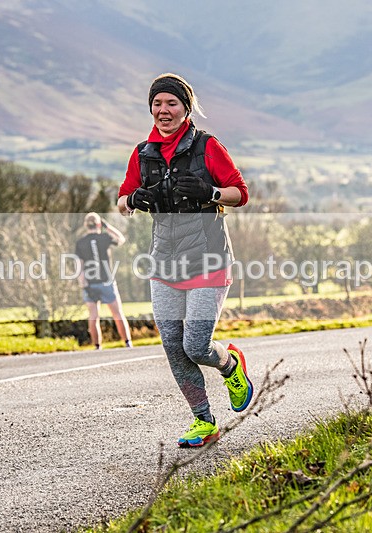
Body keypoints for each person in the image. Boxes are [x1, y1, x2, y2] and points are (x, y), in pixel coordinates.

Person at [117, 73, 253, 448]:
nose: (163, 110)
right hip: (163, 263)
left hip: (209, 259)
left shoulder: (208, 147)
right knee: (173, 346)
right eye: (157, 104)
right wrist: (134, 200)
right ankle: (204, 422)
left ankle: (229, 365)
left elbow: (240, 194)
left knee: (196, 345)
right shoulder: (142, 152)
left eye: (171, 103)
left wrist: (211, 191)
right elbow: (122, 200)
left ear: (186, 108)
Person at [75, 212, 133, 349]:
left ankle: (97, 346)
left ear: (85, 225)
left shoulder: (80, 243)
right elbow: (121, 239)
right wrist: (108, 227)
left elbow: (79, 268)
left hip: (90, 284)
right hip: (107, 282)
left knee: (93, 316)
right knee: (117, 313)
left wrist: (83, 285)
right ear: (99, 224)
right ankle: (127, 343)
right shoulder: (104, 237)